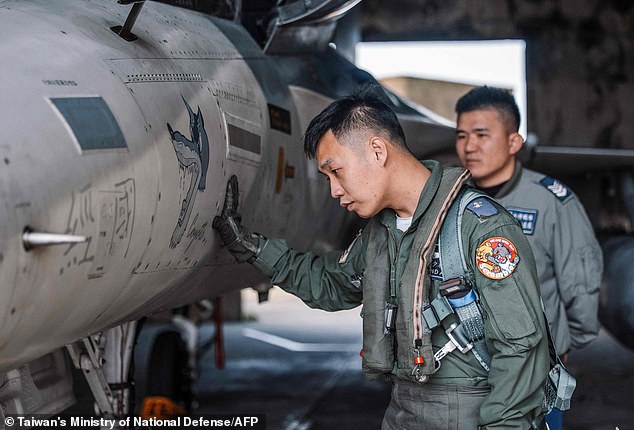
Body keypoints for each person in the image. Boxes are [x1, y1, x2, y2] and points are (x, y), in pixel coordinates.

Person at [213, 87, 551, 429]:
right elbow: (333, 284)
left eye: (336, 171)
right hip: (403, 408)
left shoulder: (479, 227)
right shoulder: (380, 232)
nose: (334, 191)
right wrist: (251, 247)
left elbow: (521, 347)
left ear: (377, 150)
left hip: (468, 411)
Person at [455, 85, 602, 430]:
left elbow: (579, 285)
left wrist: (564, 345)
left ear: (513, 142)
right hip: (463, 370)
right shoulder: (448, 200)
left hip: (534, 370)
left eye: (481, 134)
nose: (469, 146)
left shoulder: (551, 201)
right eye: (461, 135)